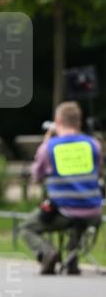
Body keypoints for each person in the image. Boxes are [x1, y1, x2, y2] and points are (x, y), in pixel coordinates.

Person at [20, 102, 103, 274]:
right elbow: (98, 171)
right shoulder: (93, 145)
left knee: (26, 227)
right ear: (78, 122)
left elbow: (37, 176)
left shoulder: (49, 147)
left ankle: (47, 252)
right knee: (78, 216)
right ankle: (72, 261)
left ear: (57, 121)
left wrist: (45, 143)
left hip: (64, 212)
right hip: (93, 212)